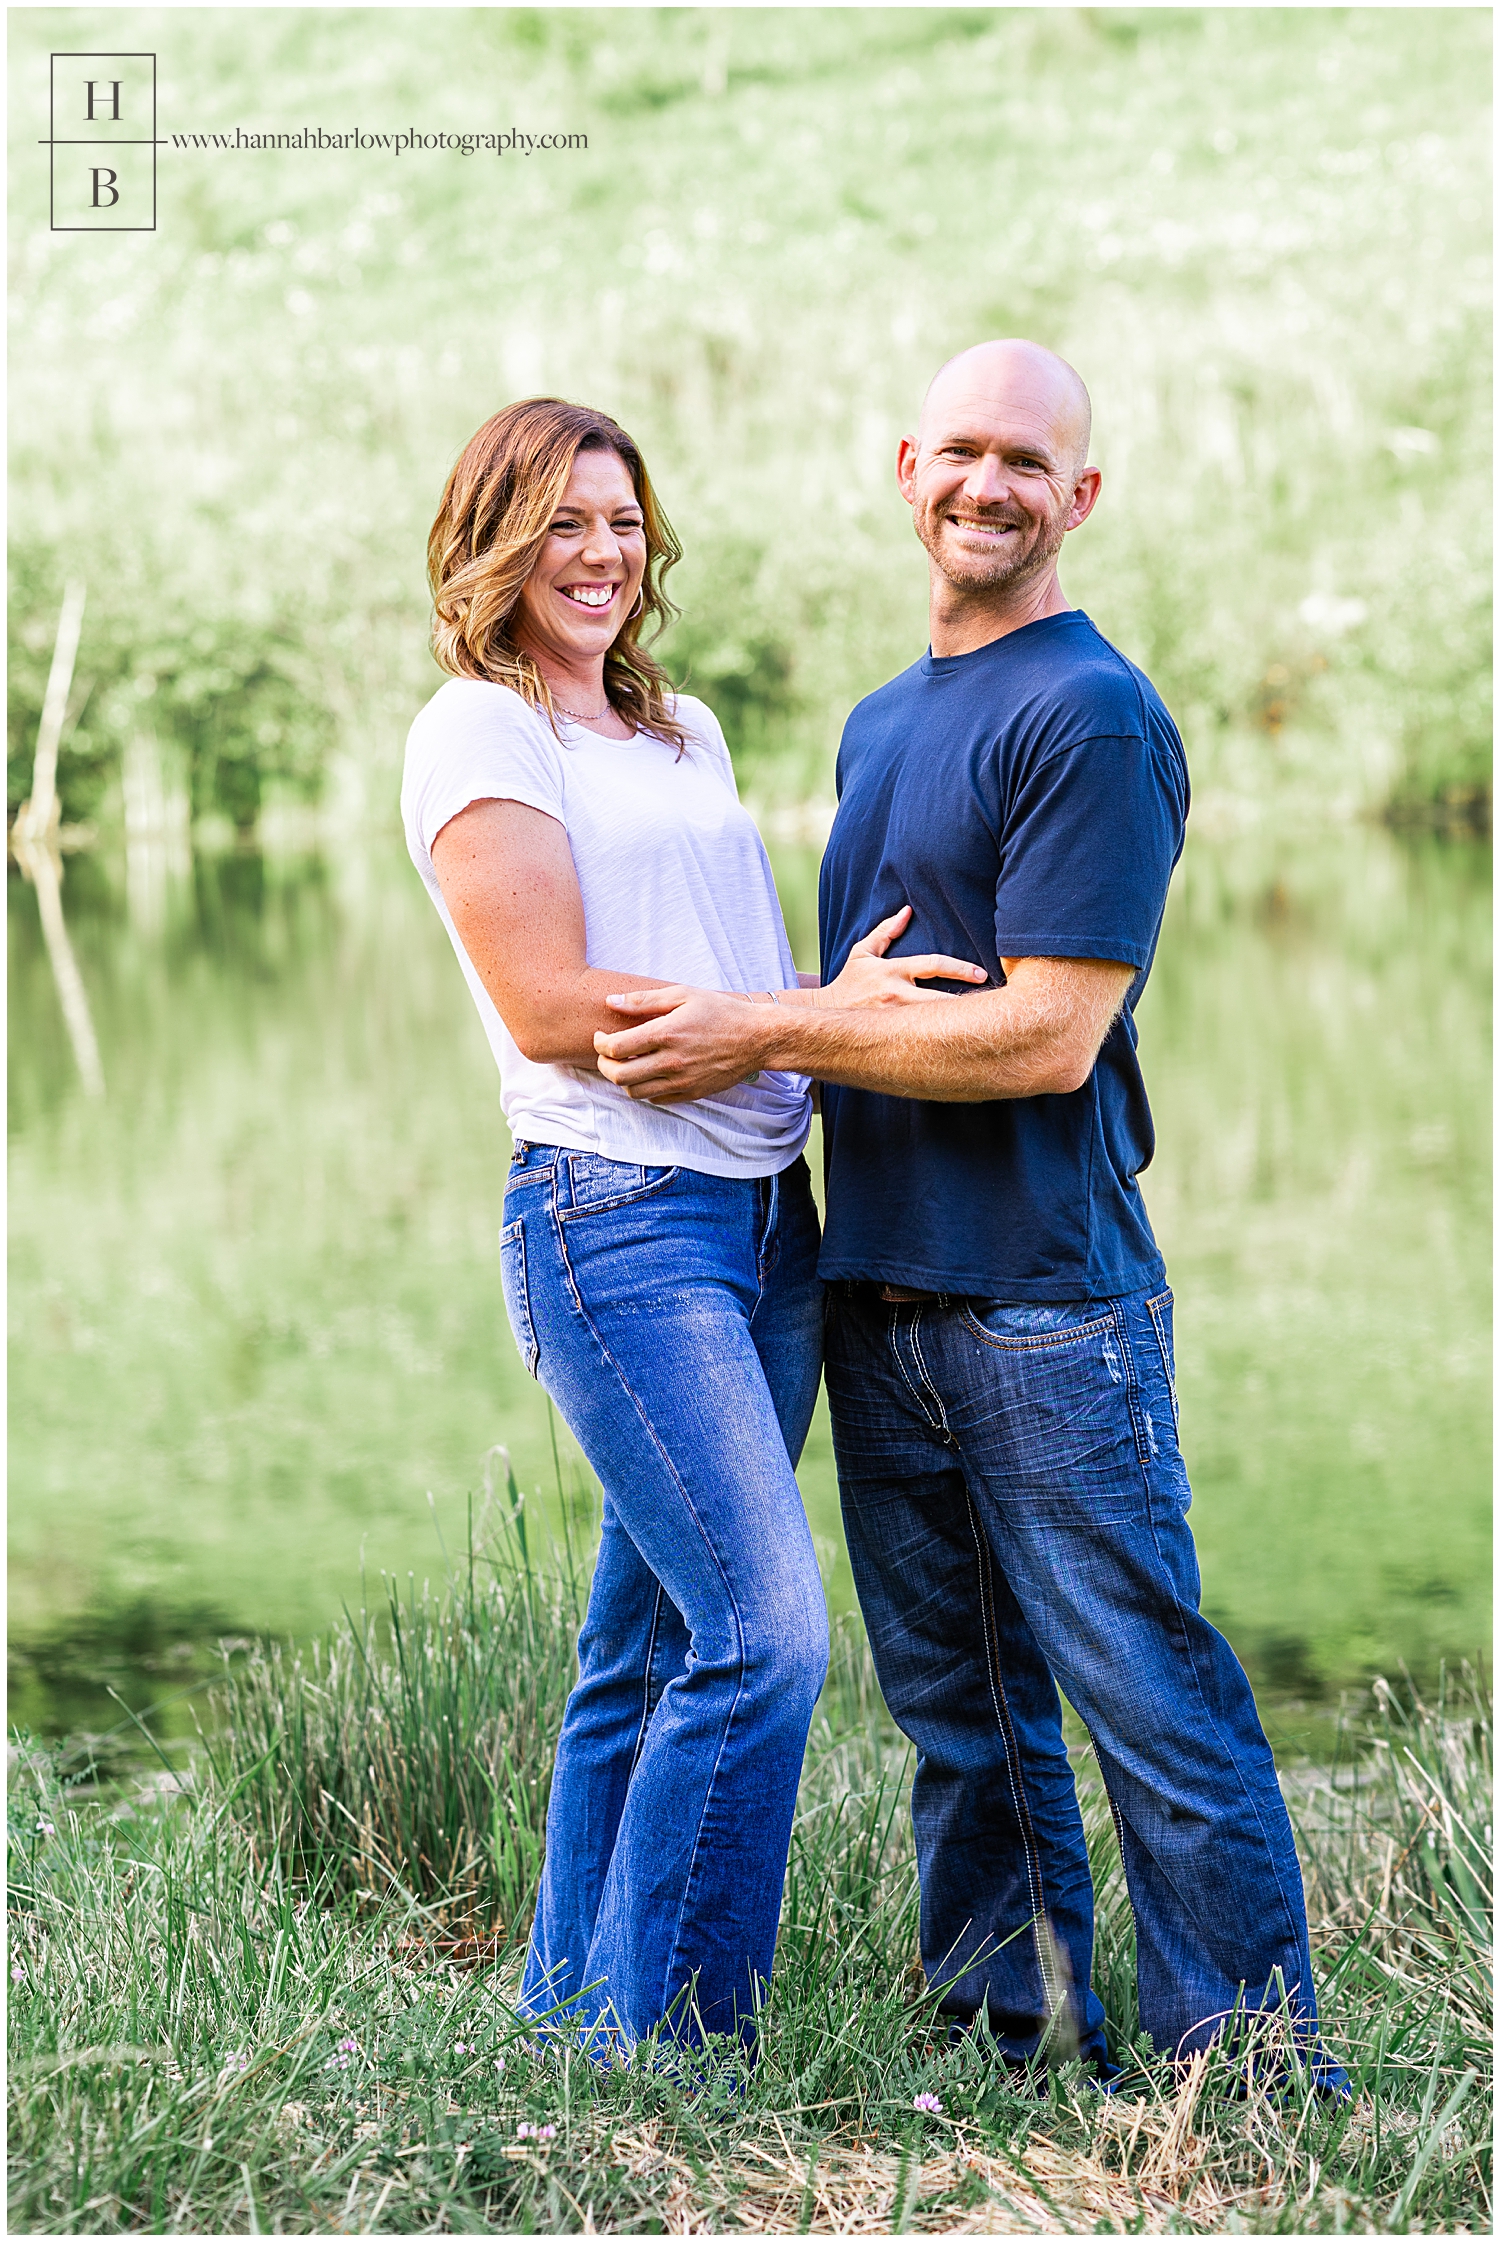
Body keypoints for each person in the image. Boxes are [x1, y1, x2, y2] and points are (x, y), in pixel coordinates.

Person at [594, 341, 1344, 2086]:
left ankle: (1241, 2074)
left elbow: (1047, 1029)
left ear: (1079, 496)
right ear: (906, 465)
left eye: (1030, 461)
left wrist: (762, 1021)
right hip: (880, 1287)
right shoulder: (879, 719)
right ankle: (1012, 2034)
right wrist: (799, 1011)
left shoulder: (1089, 713)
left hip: (1046, 1303)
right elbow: (878, 1003)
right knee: (959, 1716)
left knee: (1148, 1689)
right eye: (962, 454)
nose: (987, 486)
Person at [400, 397, 984, 2054]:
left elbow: (716, 987)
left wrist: (818, 1009)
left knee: (643, 1640)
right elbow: (549, 1004)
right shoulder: (482, 731)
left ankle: (570, 2019)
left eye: (622, 519)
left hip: (763, 1221)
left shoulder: (683, 730)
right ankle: (671, 2041)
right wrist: (797, 1023)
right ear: (496, 546)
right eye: (562, 524)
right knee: (764, 1635)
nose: (601, 552)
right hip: (616, 1216)